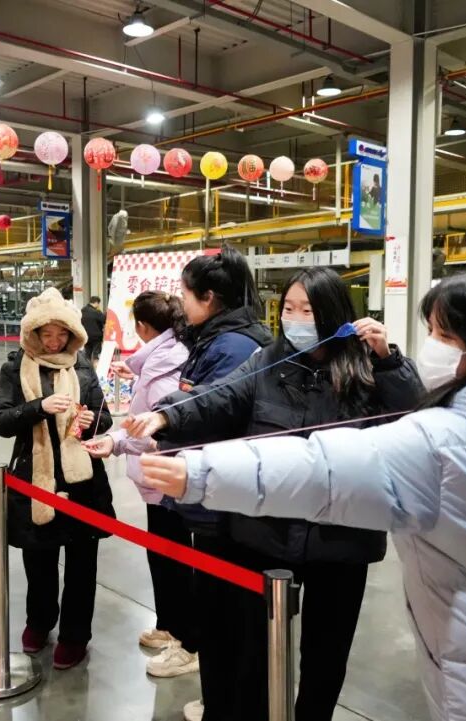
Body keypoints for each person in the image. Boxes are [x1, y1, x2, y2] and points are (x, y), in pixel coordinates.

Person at [139, 270, 466, 721]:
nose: (432, 344)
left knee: (326, 654)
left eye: (441, 333)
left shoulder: (441, 438)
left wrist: (197, 471)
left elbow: (319, 468)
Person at [125, 267, 423, 721]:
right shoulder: (268, 361)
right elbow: (218, 396)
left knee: (325, 655)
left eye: (308, 310)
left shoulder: (366, 367)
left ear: (334, 314)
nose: (295, 319)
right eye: (289, 308)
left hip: (342, 537)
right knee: (256, 651)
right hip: (266, 533)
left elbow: (415, 418)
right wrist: (166, 416)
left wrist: (388, 361)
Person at [138, 245, 273, 721]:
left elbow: (213, 412)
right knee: (221, 609)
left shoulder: (231, 346)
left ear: (209, 297)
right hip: (215, 491)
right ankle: (221, 700)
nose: (181, 302)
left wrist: (165, 421)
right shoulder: (219, 338)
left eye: (185, 293)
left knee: (227, 613)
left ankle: (228, 705)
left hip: (221, 495)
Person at [0, 287, 113, 670]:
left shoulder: (82, 366)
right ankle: (39, 621)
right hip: (35, 480)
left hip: (82, 482)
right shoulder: (16, 368)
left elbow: (104, 417)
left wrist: (91, 421)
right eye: (47, 334)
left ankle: (75, 635)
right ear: (34, 333)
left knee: (82, 565)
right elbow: (0, 421)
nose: (55, 342)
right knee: (38, 560)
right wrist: (39, 407)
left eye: (62, 334)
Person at [82, 291, 191, 652]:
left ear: (142, 327)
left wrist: (115, 442)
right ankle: (170, 623)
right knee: (165, 554)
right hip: (163, 479)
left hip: (165, 479)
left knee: (169, 556)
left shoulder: (162, 371)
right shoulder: (168, 355)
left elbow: (157, 429)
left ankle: (178, 631)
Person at [81, 295, 105, 362]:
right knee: (96, 355)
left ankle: (87, 366)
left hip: (86, 336)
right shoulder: (97, 312)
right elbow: (104, 320)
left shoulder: (82, 310)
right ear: (96, 303)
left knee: (87, 354)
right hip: (96, 337)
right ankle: (95, 367)